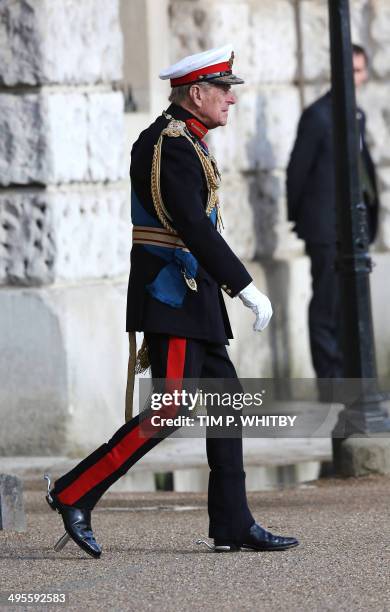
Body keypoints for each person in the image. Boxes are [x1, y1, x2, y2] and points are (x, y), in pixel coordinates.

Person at [46, 44, 298, 556]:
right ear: (197, 92)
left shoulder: (189, 140)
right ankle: (73, 491)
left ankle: (233, 523)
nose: (230, 99)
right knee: (169, 409)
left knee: (227, 405)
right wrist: (244, 286)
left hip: (193, 296)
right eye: (223, 90)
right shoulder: (168, 143)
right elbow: (191, 227)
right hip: (173, 295)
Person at [286, 44, 379, 389]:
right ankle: (331, 382)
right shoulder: (318, 115)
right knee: (326, 305)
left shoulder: (357, 115)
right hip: (324, 229)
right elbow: (297, 172)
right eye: (348, 70)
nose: (354, 77)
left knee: (348, 306)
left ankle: (353, 378)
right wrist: (302, 220)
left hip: (353, 229)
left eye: (358, 70)